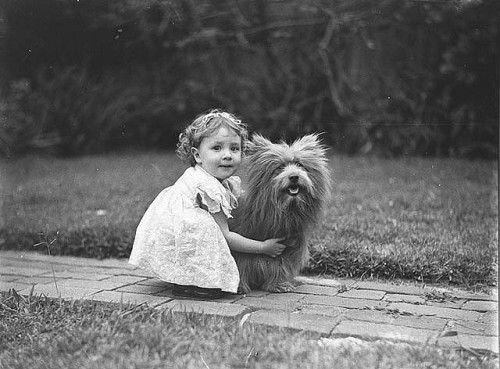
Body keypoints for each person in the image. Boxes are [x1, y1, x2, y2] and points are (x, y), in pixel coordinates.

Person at [129, 109, 286, 299]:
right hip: (182, 228)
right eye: (217, 148)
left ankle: (188, 279)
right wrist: (263, 247)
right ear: (197, 155)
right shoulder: (208, 188)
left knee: (202, 234)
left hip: (173, 225)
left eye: (234, 148)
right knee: (208, 234)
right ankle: (193, 282)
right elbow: (226, 236)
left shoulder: (211, 179)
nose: (227, 155)